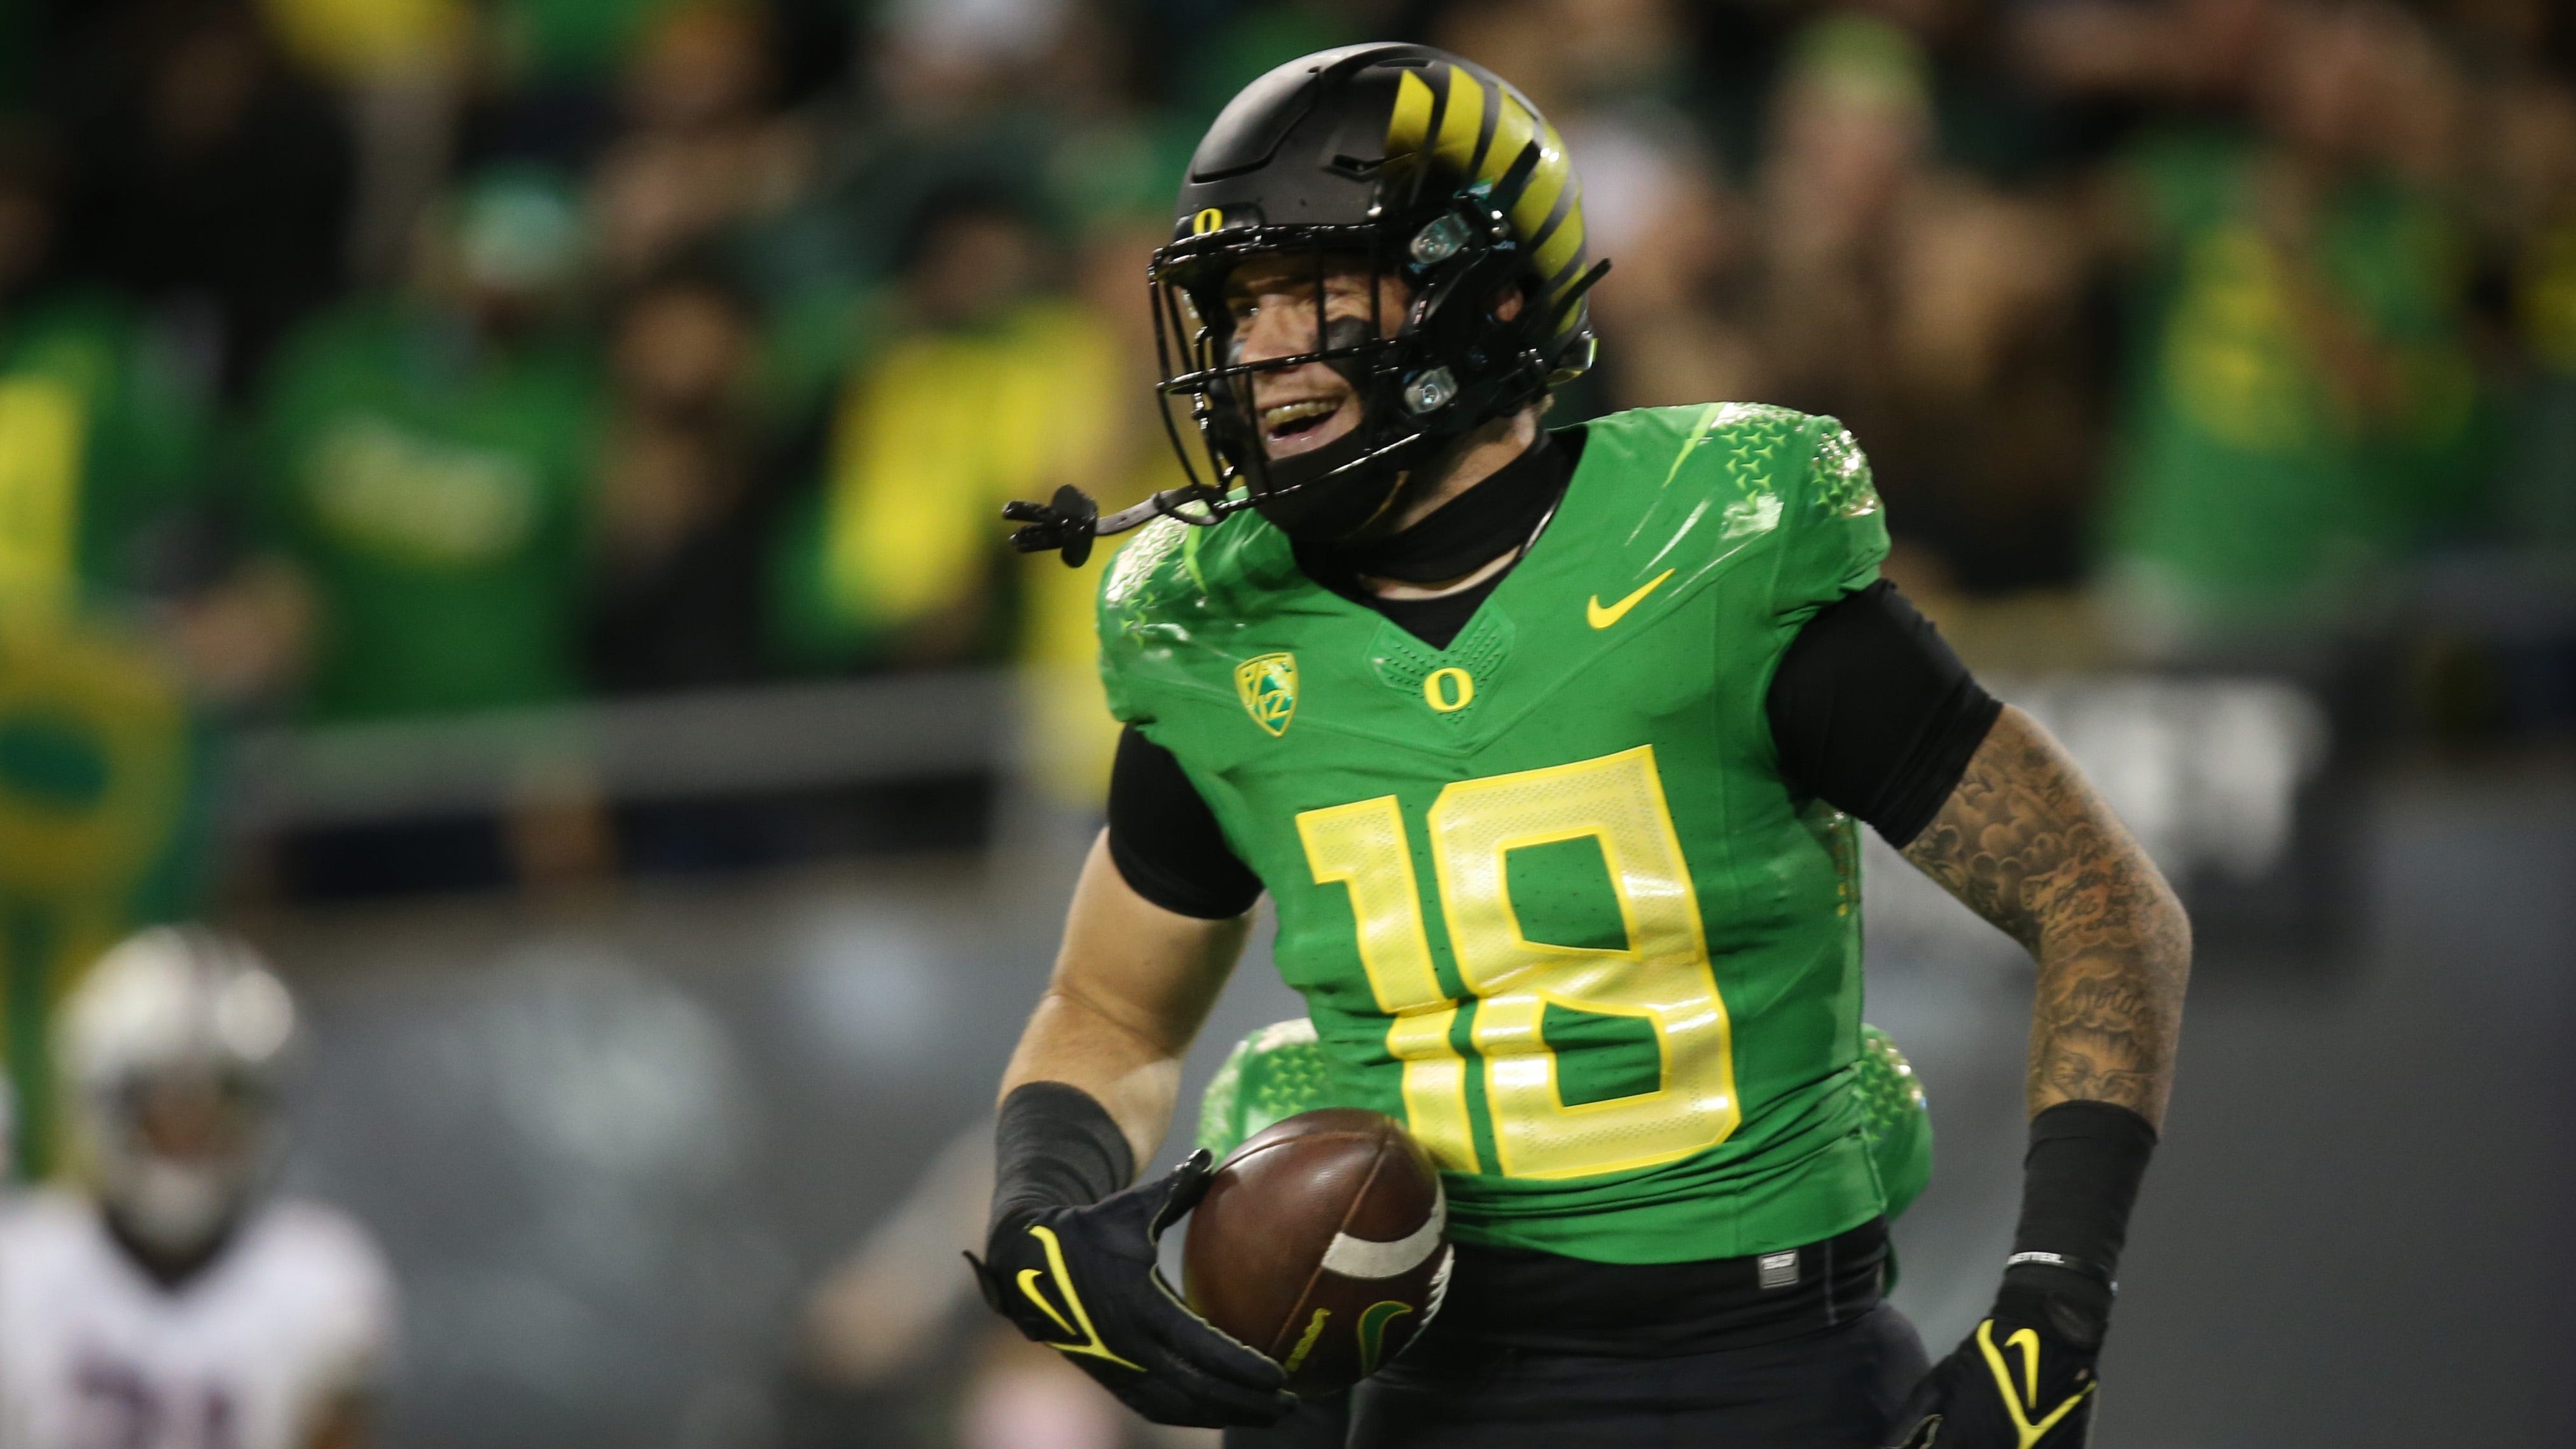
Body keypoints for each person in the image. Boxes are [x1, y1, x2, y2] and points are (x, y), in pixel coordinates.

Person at [969, 44, 2189, 1448]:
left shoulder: (1711, 551)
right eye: (1242, 304)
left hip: (1754, 1365)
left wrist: (2053, 1301)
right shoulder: (1215, 629)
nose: (1262, 347)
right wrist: (1039, 1205)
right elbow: (1111, 1010)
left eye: (1318, 288)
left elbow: (2101, 899)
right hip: (1406, 1378)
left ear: (1484, 293)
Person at [0, 926, 398, 1449]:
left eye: (216, 1108)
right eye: (161, 1108)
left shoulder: (323, 1276)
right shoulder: (22, 1264)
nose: (186, 1134)